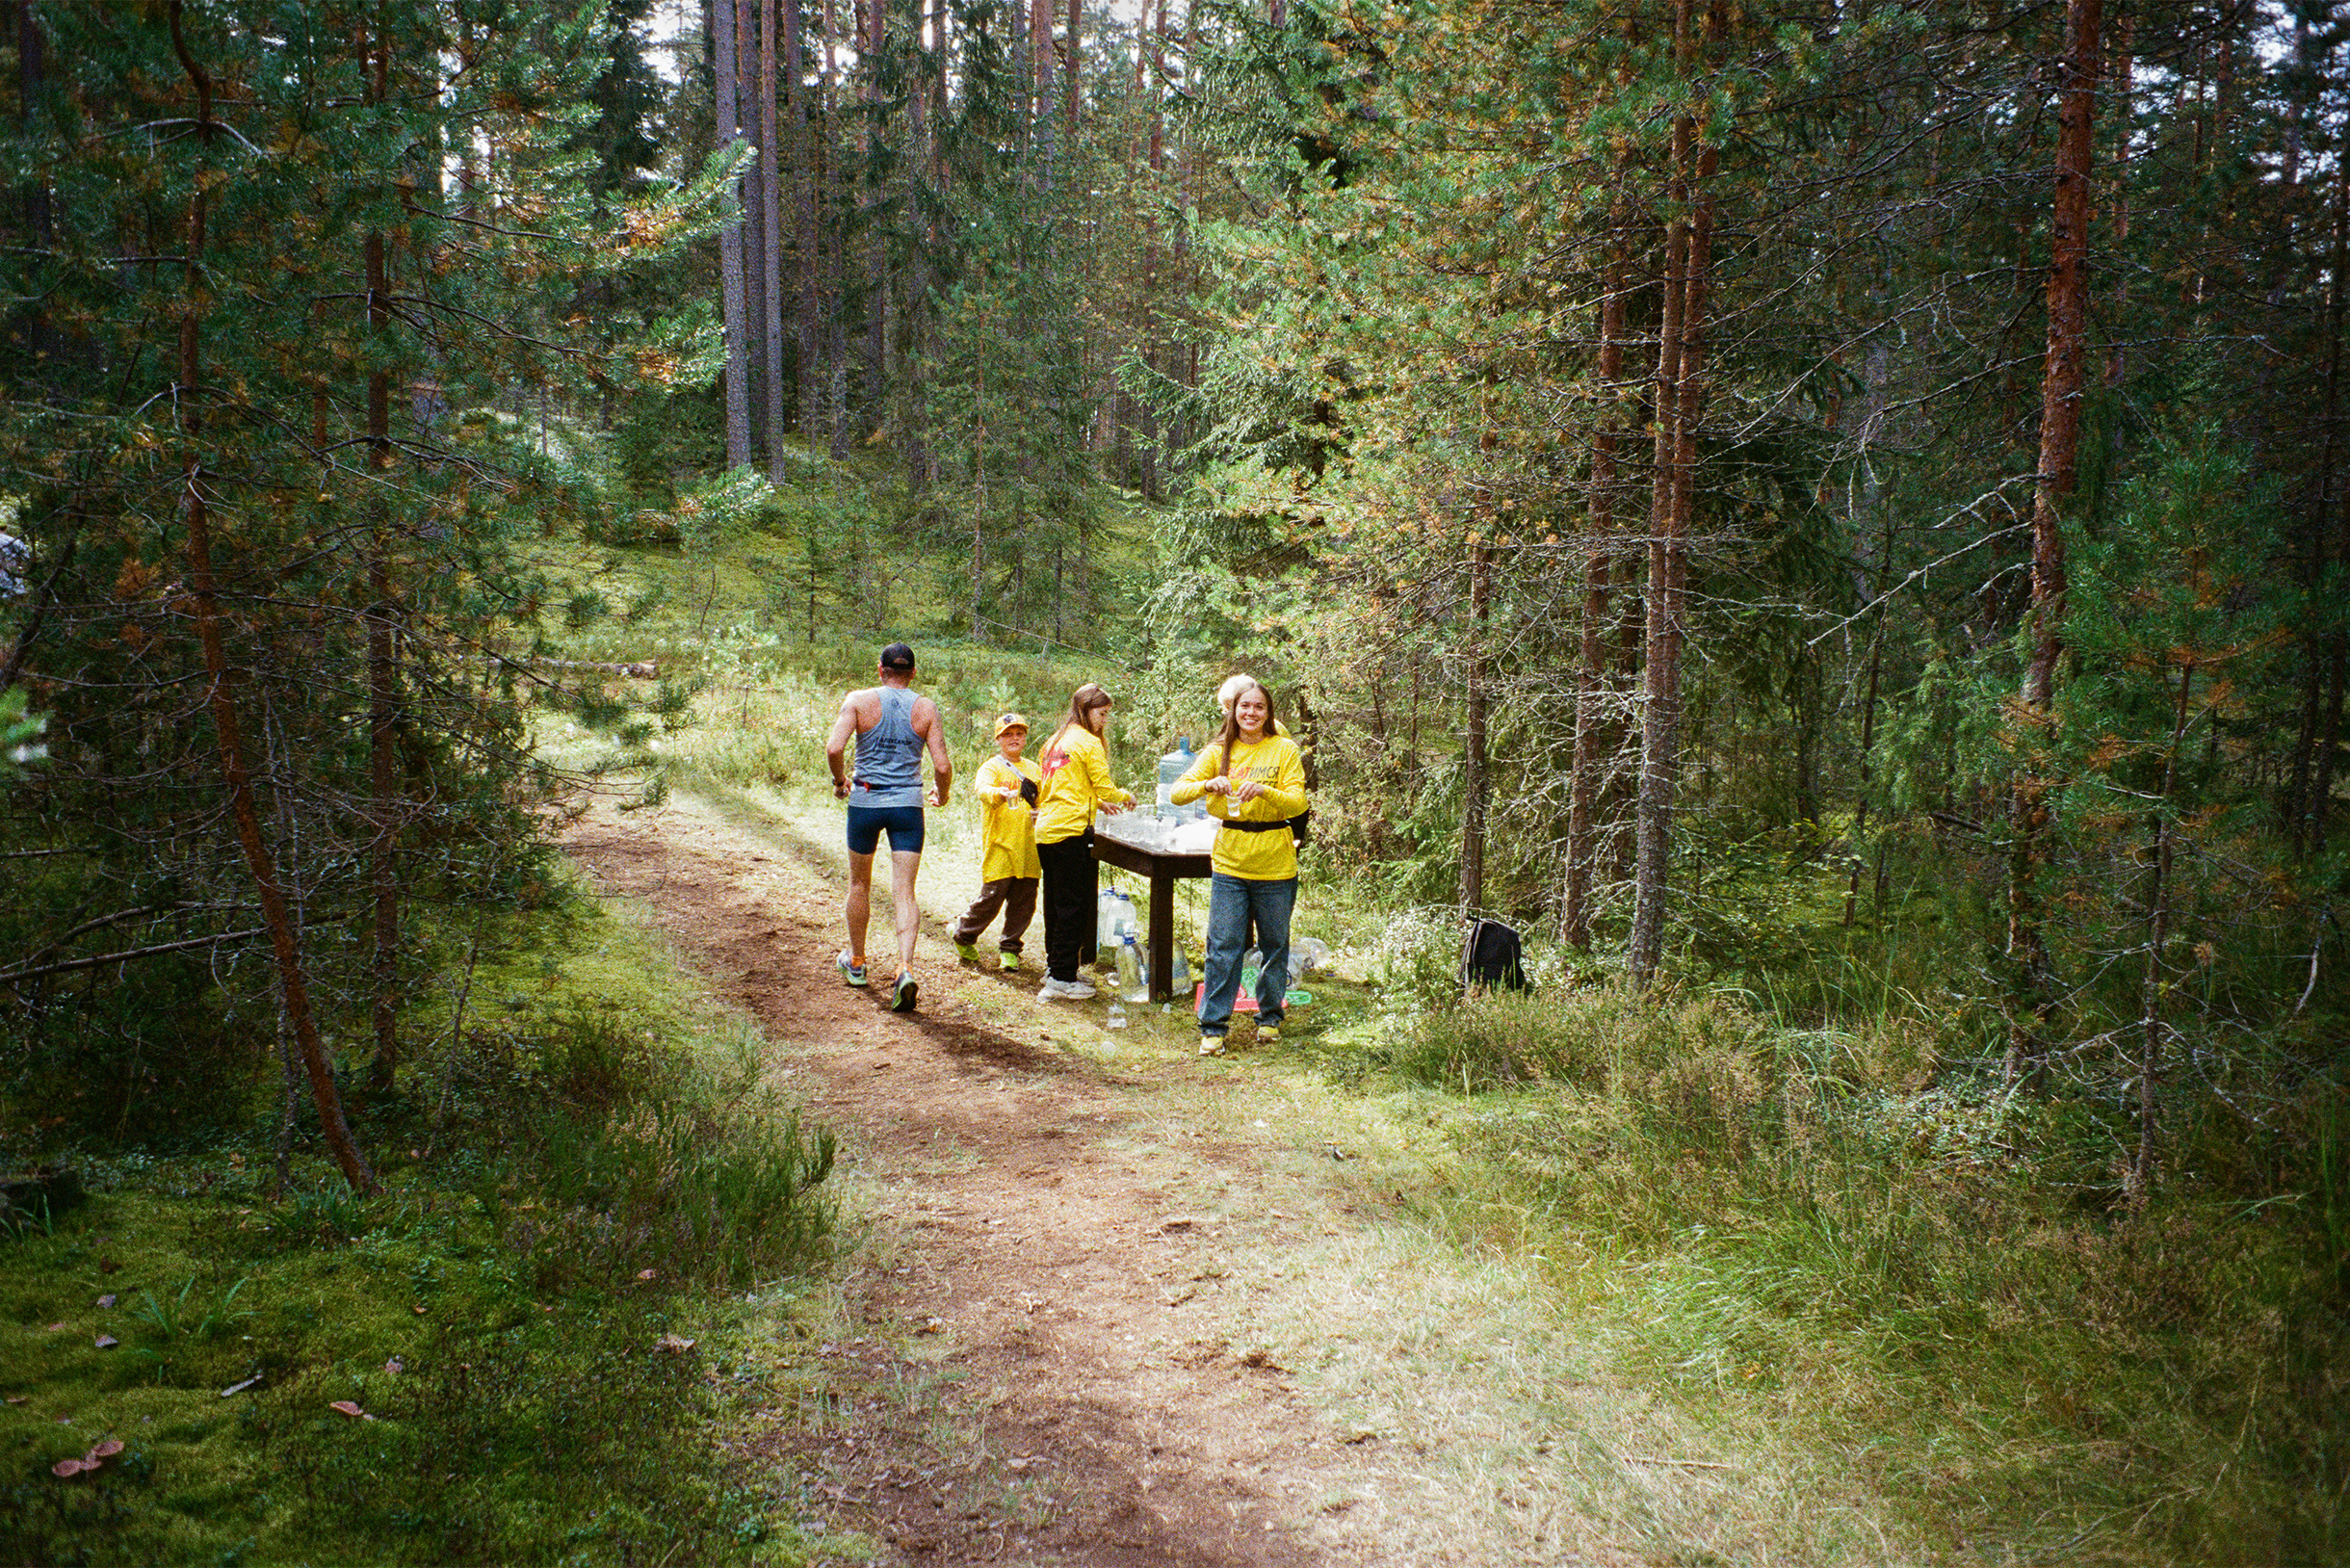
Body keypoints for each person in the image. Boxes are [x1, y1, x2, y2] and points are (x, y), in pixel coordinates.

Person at [1170, 678, 1308, 1056]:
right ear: (1233, 710)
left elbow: (1297, 803)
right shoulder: (1219, 750)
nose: (1250, 713)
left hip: (1276, 862)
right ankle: (1213, 1026)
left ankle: (1269, 1018)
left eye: (1258, 707)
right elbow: (1177, 792)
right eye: (1244, 706)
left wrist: (1265, 791)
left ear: (1268, 712)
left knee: (1275, 945)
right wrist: (1207, 784)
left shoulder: (1283, 750)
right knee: (1223, 945)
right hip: (1230, 860)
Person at [825, 642, 952, 1012]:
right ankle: (904, 968)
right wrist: (941, 795)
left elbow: (835, 748)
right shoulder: (925, 707)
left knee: (859, 883)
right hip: (907, 807)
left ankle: (858, 961)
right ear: (913, 673)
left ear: (880, 670)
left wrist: (839, 781)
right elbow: (942, 767)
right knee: (904, 892)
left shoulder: (859, 700)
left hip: (865, 802)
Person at [1032, 683, 1135, 1002]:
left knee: (1055, 903)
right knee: (1072, 906)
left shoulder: (1055, 740)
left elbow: (1061, 783)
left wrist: (1097, 802)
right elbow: (1104, 786)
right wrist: (1122, 797)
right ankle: (1061, 979)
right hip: (1070, 830)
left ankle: (1056, 968)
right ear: (1085, 710)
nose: (1104, 720)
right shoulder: (1089, 742)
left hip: (1047, 828)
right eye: (1102, 714)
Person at [952, 711, 1041, 972]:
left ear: (1025, 738)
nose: (1014, 738)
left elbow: (1044, 799)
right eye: (1008, 734)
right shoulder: (991, 767)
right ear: (998, 739)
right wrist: (999, 793)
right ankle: (964, 935)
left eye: (1019, 734)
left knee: (1025, 901)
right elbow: (982, 790)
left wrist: (1040, 811)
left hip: (1029, 847)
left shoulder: (1034, 769)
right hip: (1001, 845)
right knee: (992, 897)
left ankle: (1010, 949)